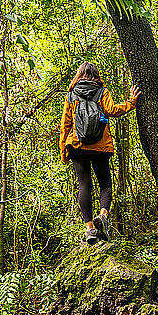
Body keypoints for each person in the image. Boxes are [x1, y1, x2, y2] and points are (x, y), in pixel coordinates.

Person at [59, 61, 140, 244]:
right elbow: (112, 110)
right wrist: (131, 103)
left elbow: (65, 124)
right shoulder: (102, 91)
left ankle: (90, 229)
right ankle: (103, 214)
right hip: (100, 145)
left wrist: (64, 150)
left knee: (84, 184)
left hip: (77, 145)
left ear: (79, 75)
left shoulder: (71, 94)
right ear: (96, 75)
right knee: (105, 184)